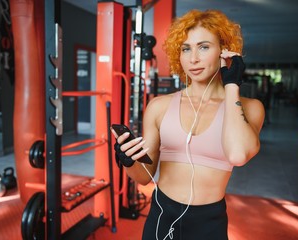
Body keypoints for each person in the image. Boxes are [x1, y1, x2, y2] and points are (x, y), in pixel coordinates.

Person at [111, 9, 265, 240]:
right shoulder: (159, 106)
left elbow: (238, 154)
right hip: (162, 214)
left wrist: (232, 85)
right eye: (185, 49)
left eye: (203, 47)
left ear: (224, 50)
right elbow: (144, 176)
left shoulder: (250, 107)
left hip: (209, 222)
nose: (193, 58)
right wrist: (128, 160)